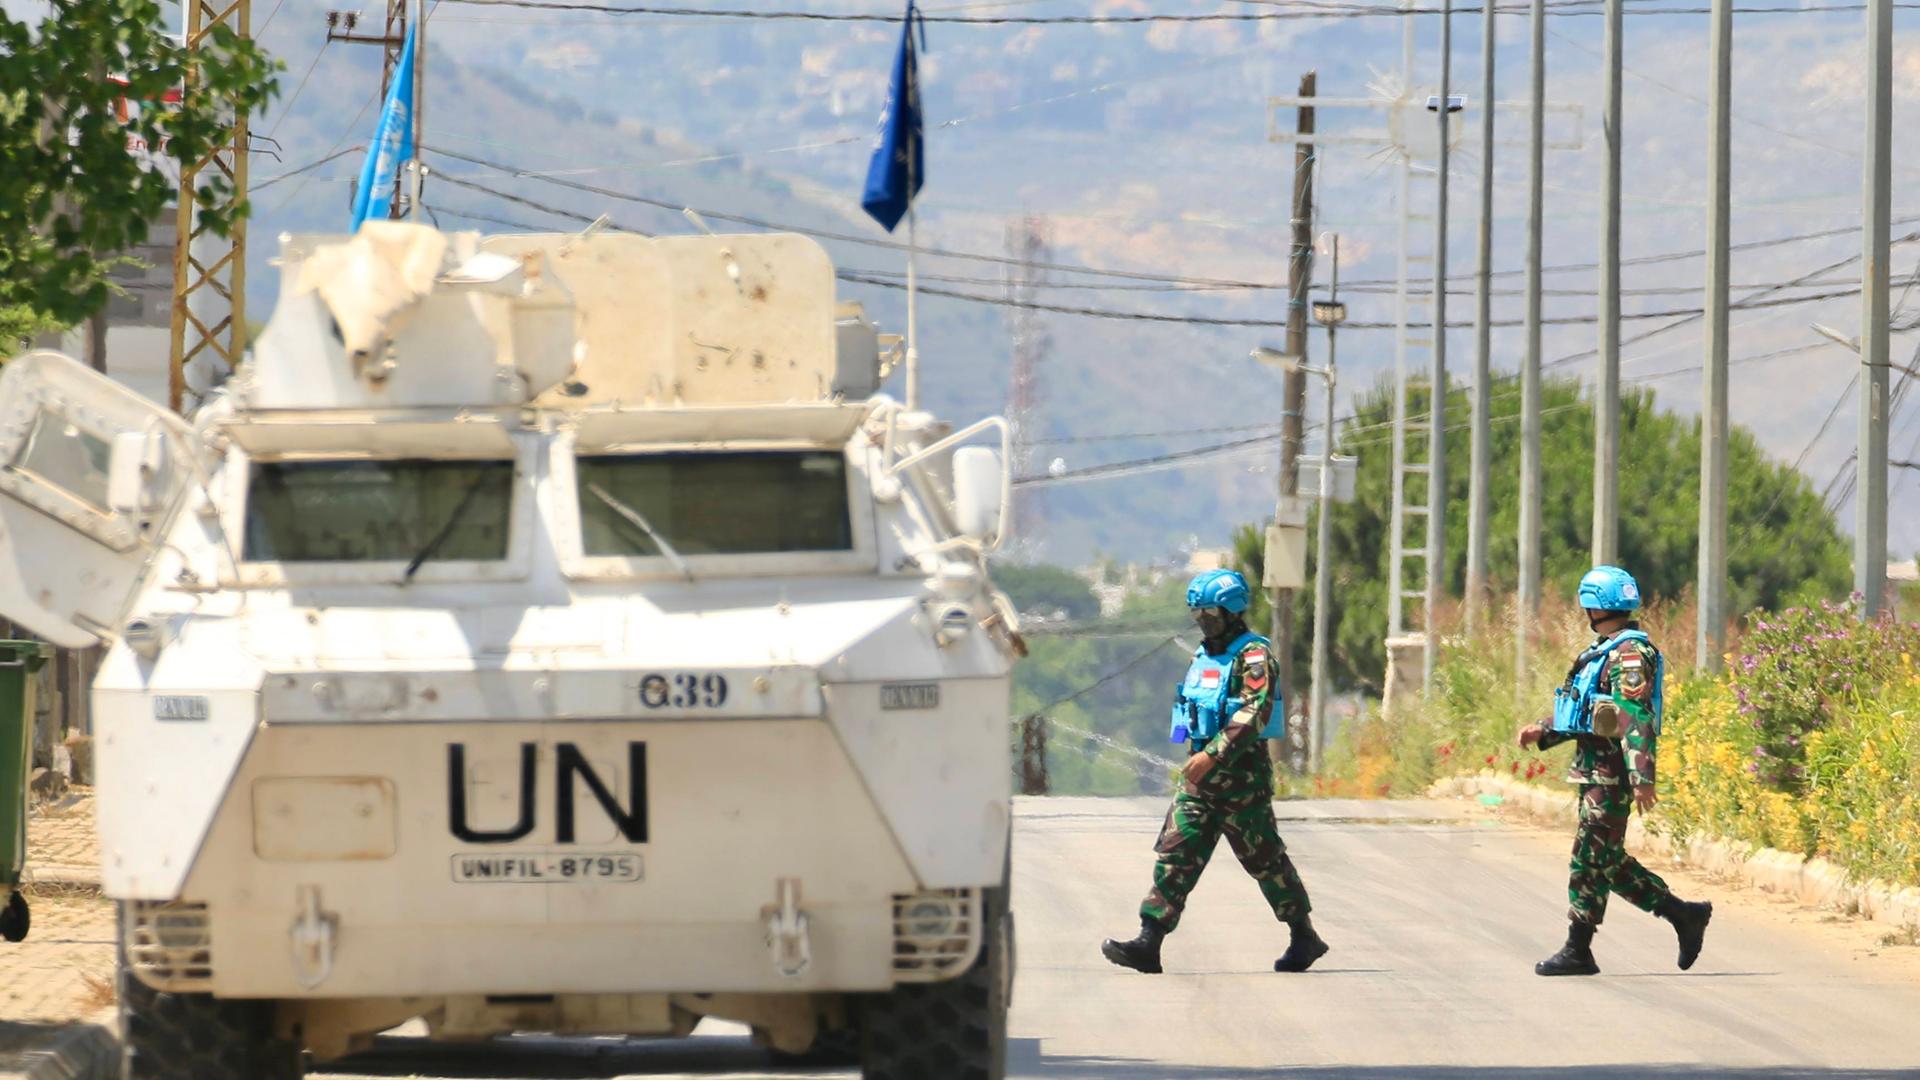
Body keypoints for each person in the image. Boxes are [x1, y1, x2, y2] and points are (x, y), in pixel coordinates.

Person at [1101, 568, 1328, 975]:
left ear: (1232, 612)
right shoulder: (1204, 656)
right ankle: (1148, 941)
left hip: (1241, 783)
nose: (1202, 621)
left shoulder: (1253, 656)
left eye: (1209, 613)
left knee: (1266, 862)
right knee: (1175, 854)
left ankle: (1302, 934)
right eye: (1197, 614)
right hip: (1201, 785)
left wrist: (1214, 755)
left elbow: (1254, 712)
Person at [1517, 565, 1714, 976]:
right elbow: (1585, 711)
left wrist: (1642, 778)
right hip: (1595, 772)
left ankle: (1579, 948)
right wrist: (1544, 731)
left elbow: (1634, 717)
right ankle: (1683, 915)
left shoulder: (1629, 654)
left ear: (1595, 606)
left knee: (1588, 859)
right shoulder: (1602, 651)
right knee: (1607, 861)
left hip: (1613, 775)